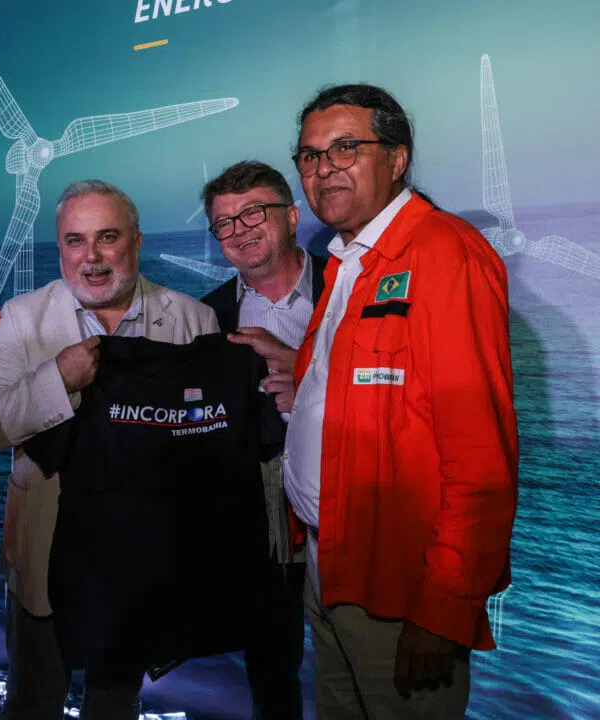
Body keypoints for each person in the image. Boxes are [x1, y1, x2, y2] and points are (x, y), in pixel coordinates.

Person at [285, 84, 518, 718]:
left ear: (396, 158)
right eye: (309, 155)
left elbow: (481, 459)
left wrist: (444, 607)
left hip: (397, 589)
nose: (323, 168)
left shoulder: (444, 254)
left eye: (345, 148)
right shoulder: (344, 262)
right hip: (328, 568)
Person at [0, 179, 219, 720]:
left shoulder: (193, 320)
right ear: (59, 247)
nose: (92, 257)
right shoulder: (22, 316)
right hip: (45, 554)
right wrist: (58, 378)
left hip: (141, 558)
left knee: (116, 702)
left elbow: (206, 447)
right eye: (75, 240)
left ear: (137, 240)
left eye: (108, 237)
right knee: (34, 700)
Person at [200, 161, 328, 720]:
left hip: (349, 500)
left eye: (253, 212)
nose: (239, 230)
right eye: (224, 222)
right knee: (272, 670)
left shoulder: (348, 288)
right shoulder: (207, 317)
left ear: (292, 216)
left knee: (357, 658)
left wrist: (305, 374)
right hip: (258, 516)